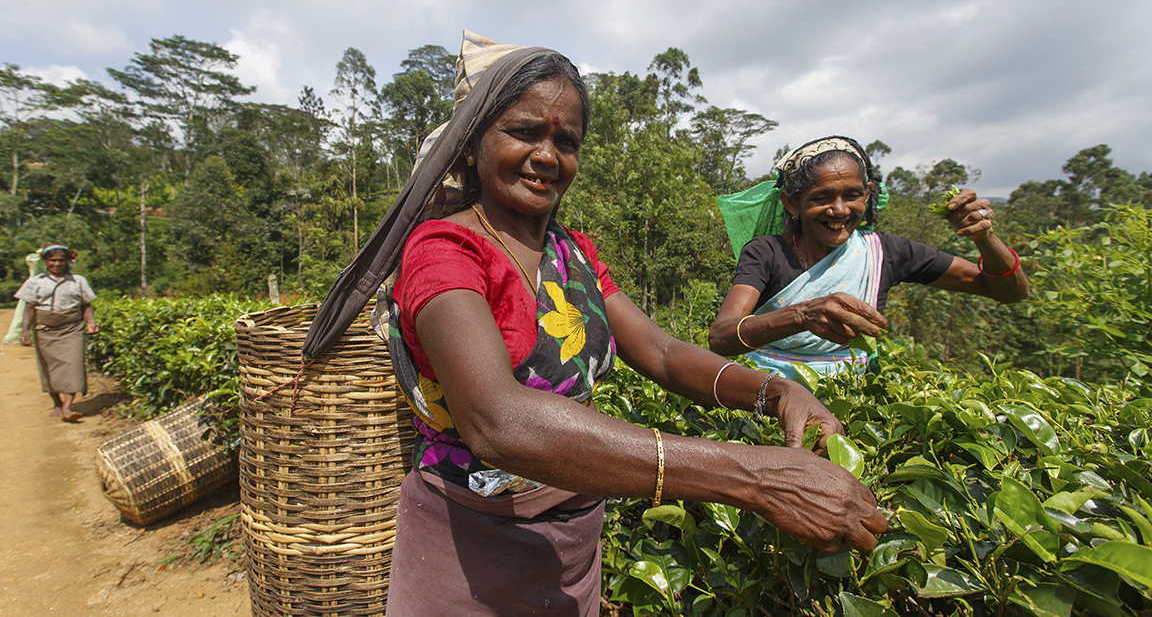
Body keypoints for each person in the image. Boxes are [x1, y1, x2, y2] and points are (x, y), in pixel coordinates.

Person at [336, 34, 887, 617]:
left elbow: (664, 354)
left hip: (572, 544)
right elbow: (497, 421)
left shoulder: (571, 254)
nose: (548, 156)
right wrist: (752, 477)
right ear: (471, 146)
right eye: (524, 132)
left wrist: (776, 392)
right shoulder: (444, 249)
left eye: (565, 141)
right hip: (469, 545)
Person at [708, 136, 1030, 383]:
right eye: (821, 198)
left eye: (852, 195)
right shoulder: (767, 252)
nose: (839, 210)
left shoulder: (884, 253)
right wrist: (802, 315)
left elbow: (1009, 291)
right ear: (792, 204)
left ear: (868, 194)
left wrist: (983, 238)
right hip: (765, 398)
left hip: (852, 402)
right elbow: (721, 336)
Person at [15, 243, 99, 422]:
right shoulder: (35, 282)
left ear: (67, 261)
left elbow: (86, 305)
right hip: (45, 331)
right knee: (49, 369)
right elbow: (29, 308)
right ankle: (57, 403)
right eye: (52, 260)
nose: (57, 264)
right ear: (45, 261)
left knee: (74, 366)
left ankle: (68, 407)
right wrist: (25, 330)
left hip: (72, 329)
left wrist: (90, 322)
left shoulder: (78, 281)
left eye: (61, 260)